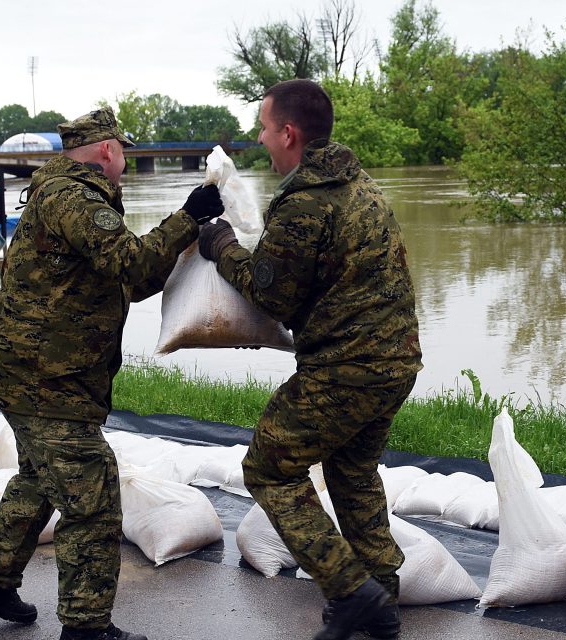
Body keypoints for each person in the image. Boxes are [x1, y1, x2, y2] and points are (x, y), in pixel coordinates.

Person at [0, 107, 225, 640]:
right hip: (46, 379)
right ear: (107, 150)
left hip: (40, 373)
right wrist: (188, 217)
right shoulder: (75, 199)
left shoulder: (65, 195)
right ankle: (85, 626)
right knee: (95, 496)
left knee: (39, 482)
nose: (122, 157)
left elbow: (125, 281)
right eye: (121, 148)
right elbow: (134, 265)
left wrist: (182, 245)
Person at [196, 79, 423, 640]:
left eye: (265, 128)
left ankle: (351, 589)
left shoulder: (303, 205)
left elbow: (270, 296)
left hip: (346, 370)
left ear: (289, 133)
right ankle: (382, 600)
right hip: (395, 365)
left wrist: (220, 244)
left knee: (269, 468)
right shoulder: (359, 185)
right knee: (352, 473)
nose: (260, 137)